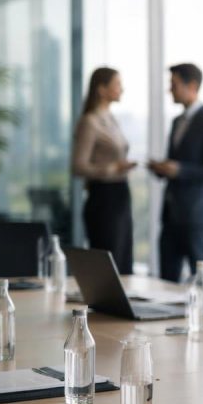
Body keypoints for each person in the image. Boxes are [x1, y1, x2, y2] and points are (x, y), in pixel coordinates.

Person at [149, 63, 203, 282]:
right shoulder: (176, 122)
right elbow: (177, 163)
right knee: (166, 280)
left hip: (197, 215)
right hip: (170, 214)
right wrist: (163, 169)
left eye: (174, 84)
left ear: (192, 85)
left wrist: (180, 170)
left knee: (199, 278)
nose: (170, 90)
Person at [72, 67, 137, 274]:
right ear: (101, 89)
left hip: (120, 195)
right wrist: (112, 168)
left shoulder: (111, 118)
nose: (122, 89)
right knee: (110, 261)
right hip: (103, 199)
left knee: (124, 258)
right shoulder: (90, 122)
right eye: (117, 84)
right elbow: (78, 166)